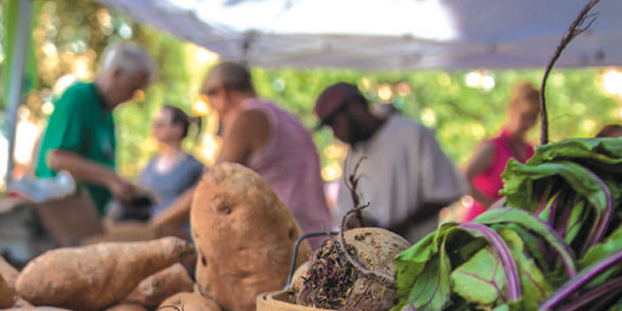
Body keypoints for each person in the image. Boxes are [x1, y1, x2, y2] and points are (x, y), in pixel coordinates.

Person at [152, 61, 333, 236]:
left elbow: (212, 187)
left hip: (288, 241)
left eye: (214, 107)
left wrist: (155, 224)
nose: (218, 116)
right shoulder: (284, 116)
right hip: (315, 234)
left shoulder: (249, 116)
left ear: (222, 93)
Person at [313, 82, 466, 242]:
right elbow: (346, 209)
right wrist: (358, 223)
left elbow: (444, 192)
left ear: (355, 108)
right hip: (373, 262)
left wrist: (400, 227)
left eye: (335, 124)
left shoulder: (412, 134)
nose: (336, 134)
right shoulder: (352, 156)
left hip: (416, 254)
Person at [34, 42, 156, 215]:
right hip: (61, 216)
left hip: (89, 217)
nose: (132, 97)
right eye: (132, 89)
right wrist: (110, 178)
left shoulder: (106, 114)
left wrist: (120, 185)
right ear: (116, 74)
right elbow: (57, 158)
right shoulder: (78, 97)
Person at [462, 82, 539, 220]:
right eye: (525, 116)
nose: (528, 123)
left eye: (533, 118)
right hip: (482, 227)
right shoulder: (492, 147)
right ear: (512, 109)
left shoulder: (531, 152)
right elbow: (461, 179)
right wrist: (494, 206)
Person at [136, 105, 204, 217]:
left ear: (178, 128)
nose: (155, 128)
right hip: (151, 231)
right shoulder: (150, 165)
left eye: (160, 124)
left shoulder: (194, 167)